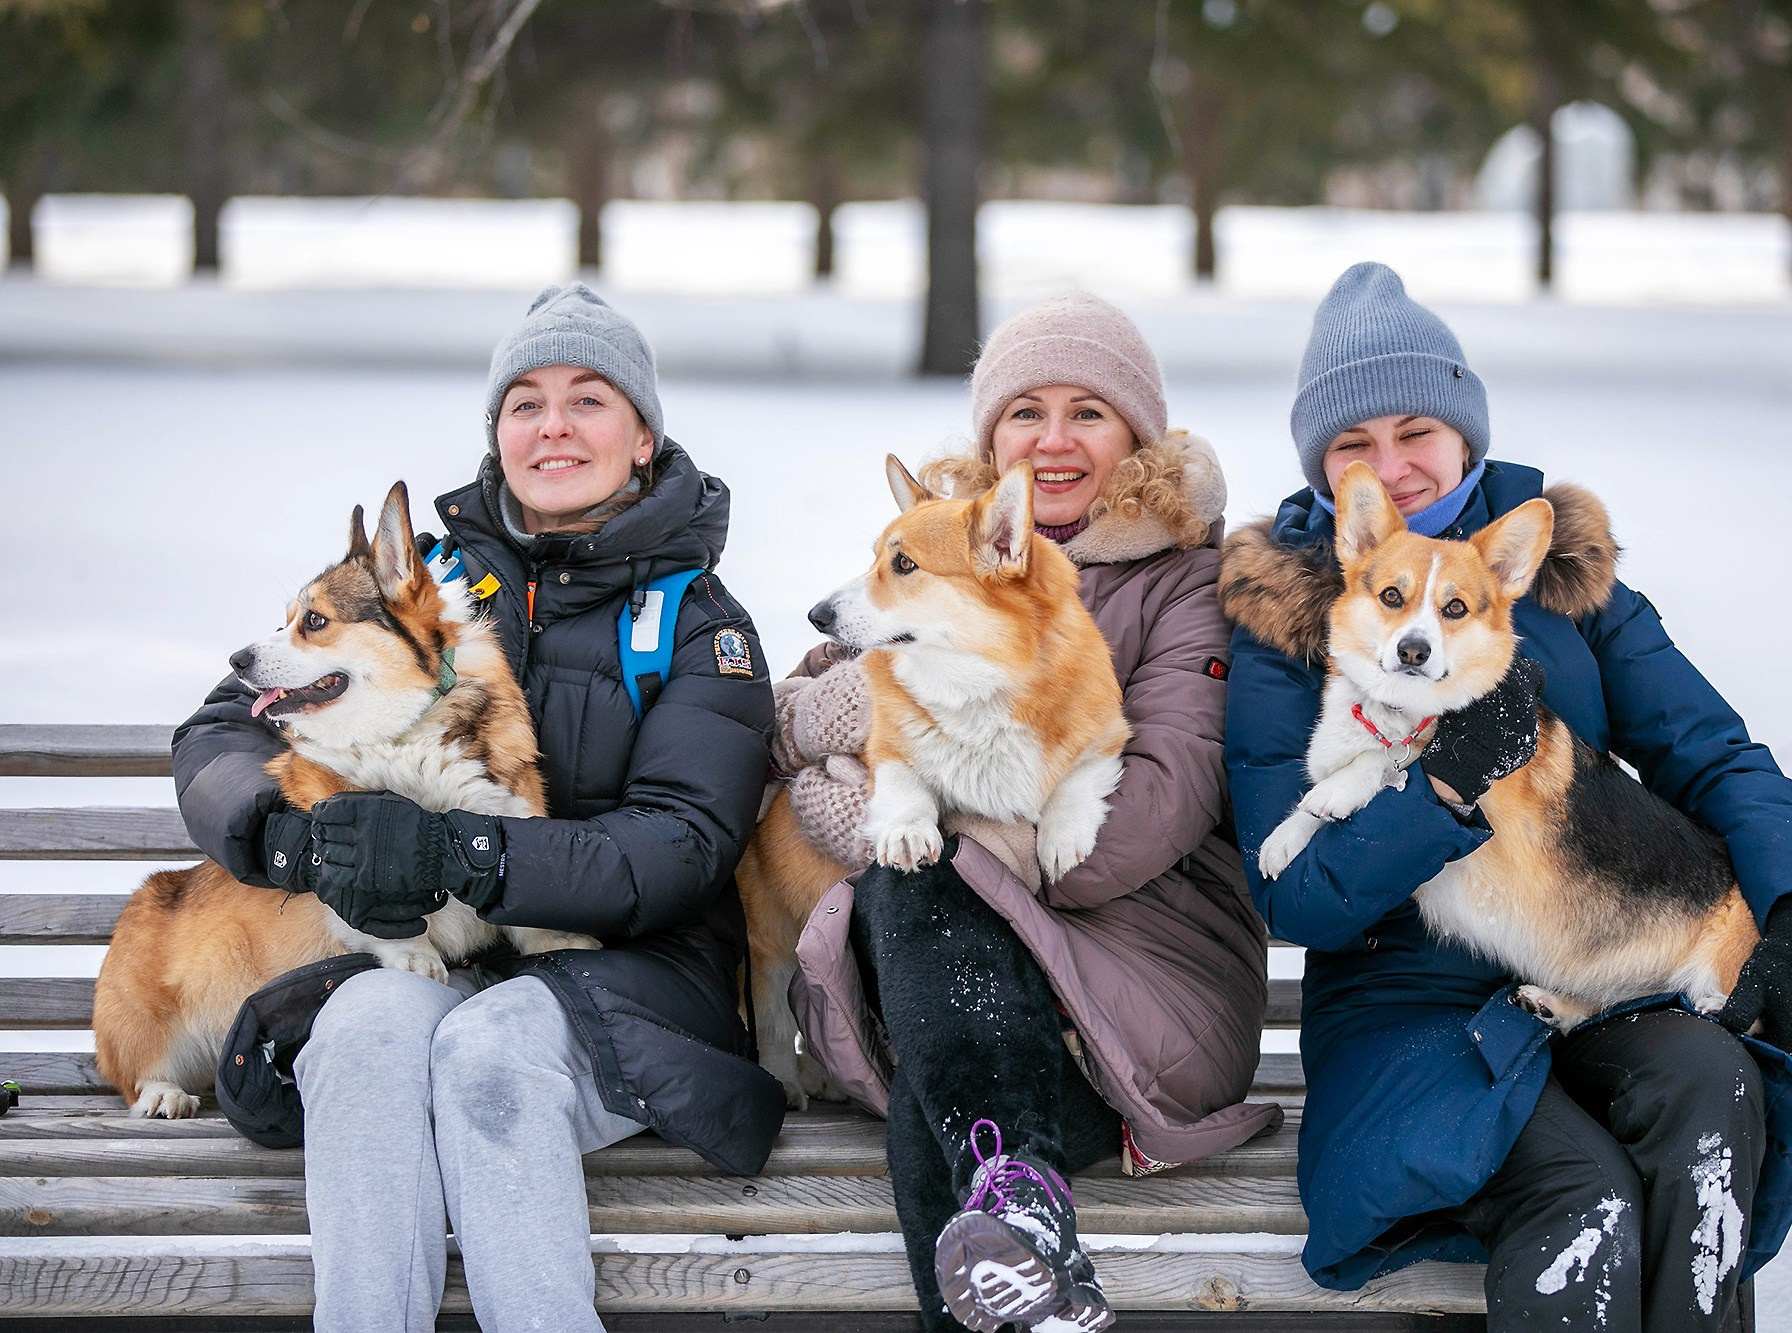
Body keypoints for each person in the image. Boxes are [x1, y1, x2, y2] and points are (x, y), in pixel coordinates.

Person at [1220, 262, 1792, 1332]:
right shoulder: (1290, 621)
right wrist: (1445, 789)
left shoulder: (1565, 585)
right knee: (1583, 1197)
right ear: (1327, 477)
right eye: (1351, 445)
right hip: (1403, 1011)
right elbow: (1297, 898)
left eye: (1415, 429)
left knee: (1710, 1097)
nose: (1392, 465)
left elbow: (1711, 751)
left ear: (1464, 435)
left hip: (1594, 969)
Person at [171, 283, 786, 1333]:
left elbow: (680, 844)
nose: (554, 425)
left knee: (491, 1047)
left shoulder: (695, 625)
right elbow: (222, 732)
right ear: (496, 434)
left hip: (634, 976)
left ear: (643, 437)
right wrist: (289, 835)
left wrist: (472, 854)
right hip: (442, 957)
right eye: (525, 402)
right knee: (362, 1027)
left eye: (588, 399)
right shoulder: (413, 584)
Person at [776, 292, 1281, 1333]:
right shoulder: (932, 553)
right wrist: (842, 730)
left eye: (1086, 411)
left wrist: (956, 832)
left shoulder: (1191, 584)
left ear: (1135, 433)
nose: (1051, 440)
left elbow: (1162, 796)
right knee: (948, 1056)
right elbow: (808, 723)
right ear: (989, 435)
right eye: (1024, 412)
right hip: (969, 994)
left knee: (930, 1000)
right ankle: (1023, 1210)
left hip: (1145, 987)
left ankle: (1015, 1194)